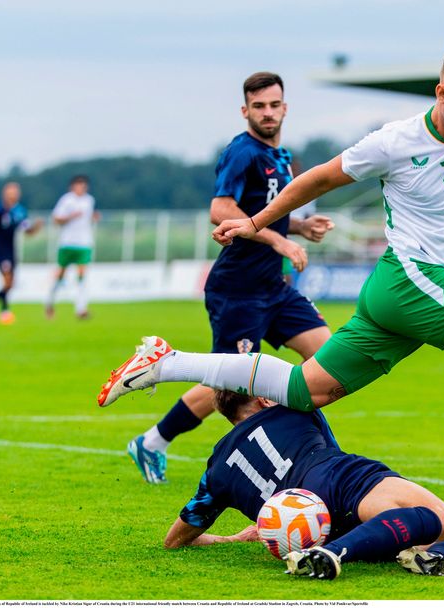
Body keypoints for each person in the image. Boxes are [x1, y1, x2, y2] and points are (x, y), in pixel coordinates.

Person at [99, 0, 444, 519]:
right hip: (412, 279)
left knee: (305, 389)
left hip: (397, 293)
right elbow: (317, 179)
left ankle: (165, 362)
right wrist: (257, 223)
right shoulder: (393, 141)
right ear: (441, 90)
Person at [125, 72, 335, 484]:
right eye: (259, 106)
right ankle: (152, 441)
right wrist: (281, 244)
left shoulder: (281, 155)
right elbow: (221, 209)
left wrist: (299, 227)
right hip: (238, 290)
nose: (268, 113)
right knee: (229, 384)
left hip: (273, 288)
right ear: (246, 111)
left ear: (285, 108)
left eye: (274, 105)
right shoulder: (242, 152)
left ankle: (320, 452)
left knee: (329, 361)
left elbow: (260, 212)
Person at [162, 387, 444, 580]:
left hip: (308, 528)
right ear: (262, 397)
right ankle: (331, 554)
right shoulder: (291, 405)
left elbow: (175, 540)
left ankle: (415, 556)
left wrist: (229, 539)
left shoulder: (216, 469)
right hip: (332, 479)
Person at [0, 181, 43, 324]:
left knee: (10, 283)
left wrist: (36, 227)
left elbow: (27, 231)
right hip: (0, 250)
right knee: (7, 279)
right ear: (5, 194)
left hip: (13, 250)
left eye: (16, 192)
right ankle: (5, 312)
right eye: (11, 192)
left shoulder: (20, 211)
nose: (14, 195)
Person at [45, 175, 100, 319]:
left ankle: (81, 308)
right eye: (78, 185)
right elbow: (56, 219)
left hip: (84, 243)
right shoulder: (66, 200)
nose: (81, 188)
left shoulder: (89, 200)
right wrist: (71, 216)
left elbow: (88, 217)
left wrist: (94, 217)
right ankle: (50, 301)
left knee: (82, 274)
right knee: (61, 274)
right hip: (67, 243)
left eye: (83, 186)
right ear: (72, 187)